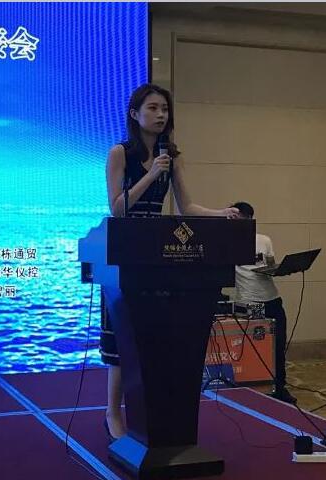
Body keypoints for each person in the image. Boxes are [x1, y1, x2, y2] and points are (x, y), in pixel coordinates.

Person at [102, 83, 240, 440]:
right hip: (124, 250)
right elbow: (117, 208)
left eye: (164, 109)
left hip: (155, 253)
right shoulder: (120, 153)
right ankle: (112, 413)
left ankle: (156, 412)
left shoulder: (172, 156)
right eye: (153, 108)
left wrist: (220, 213)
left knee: (152, 338)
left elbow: (186, 206)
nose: (161, 114)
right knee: (122, 341)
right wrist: (150, 175)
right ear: (135, 114)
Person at [231, 201, 297, 404]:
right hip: (249, 302)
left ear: (251, 220)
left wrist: (282, 270)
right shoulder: (227, 243)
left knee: (278, 345)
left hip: (272, 299)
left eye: (242, 220)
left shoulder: (264, 240)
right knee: (254, 347)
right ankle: (254, 388)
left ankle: (280, 387)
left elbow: (270, 265)